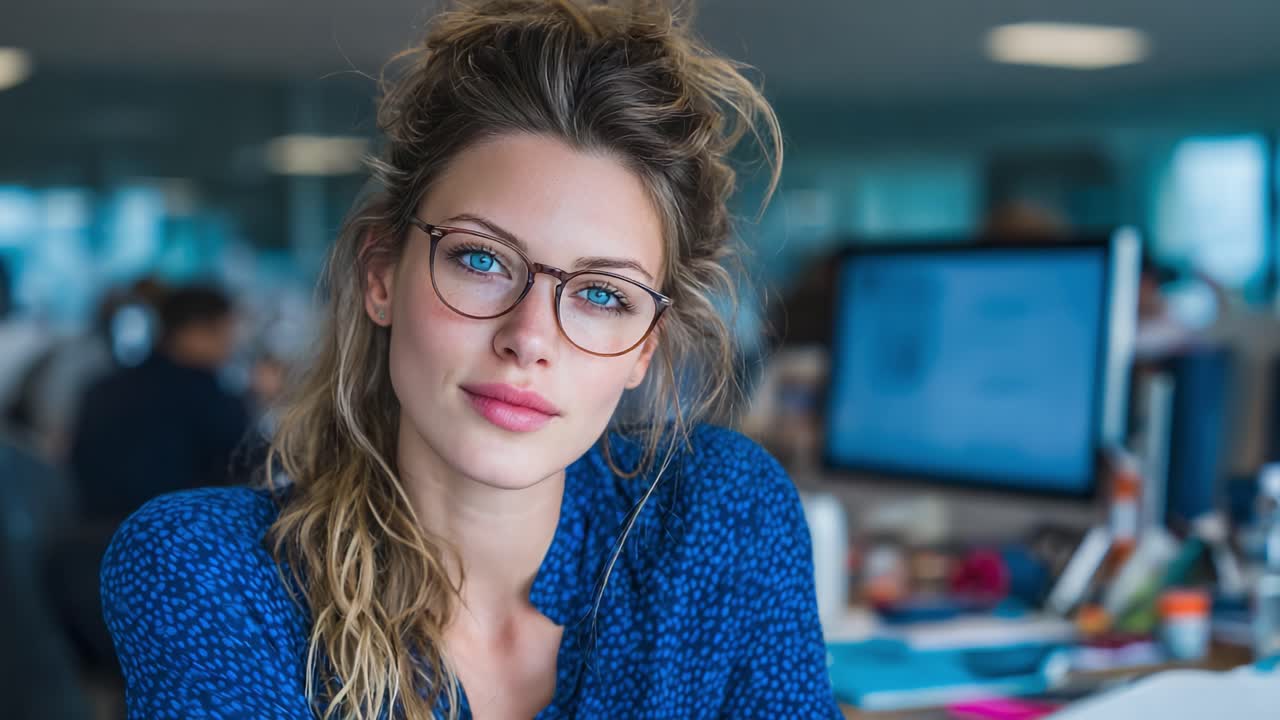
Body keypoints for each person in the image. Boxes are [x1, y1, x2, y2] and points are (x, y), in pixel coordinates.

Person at [101, 2, 841, 719]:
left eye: (603, 296)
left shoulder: (718, 517)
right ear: (383, 275)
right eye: (481, 259)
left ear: (644, 348)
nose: (529, 337)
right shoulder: (209, 574)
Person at [71, 283, 249, 524]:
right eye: (225, 333)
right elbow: (242, 473)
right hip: (178, 537)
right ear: (194, 332)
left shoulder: (103, 387)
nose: (231, 345)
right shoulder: (211, 399)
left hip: (87, 534)